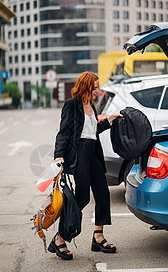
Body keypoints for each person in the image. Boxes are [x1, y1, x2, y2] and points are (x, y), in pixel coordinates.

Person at [48, 71, 122, 260]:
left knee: (103, 194)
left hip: (93, 154)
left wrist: (109, 121)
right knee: (81, 198)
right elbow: (63, 131)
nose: (98, 90)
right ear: (86, 87)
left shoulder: (91, 105)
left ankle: (98, 236)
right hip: (79, 154)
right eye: (95, 87)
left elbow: (93, 131)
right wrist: (59, 155)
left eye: (98, 87)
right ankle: (60, 238)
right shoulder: (72, 105)